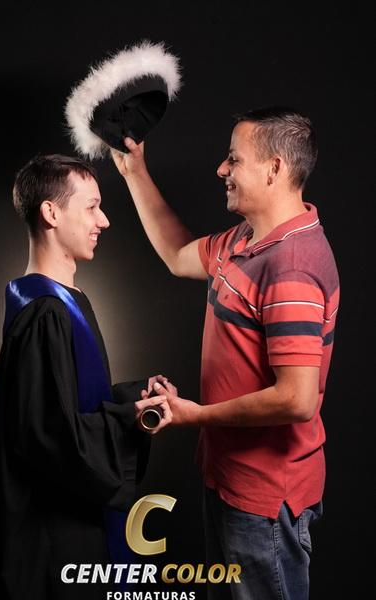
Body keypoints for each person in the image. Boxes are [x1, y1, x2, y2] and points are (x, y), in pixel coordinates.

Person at [111, 107, 339, 600]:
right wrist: (134, 171)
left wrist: (196, 415)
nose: (222, 169)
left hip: (264, 503)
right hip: (230, 482)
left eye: (234, 159)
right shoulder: (247, 240)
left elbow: (297, 399)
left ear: (274, 169)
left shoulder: (292, 266)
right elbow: (178, 256)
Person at [0, 154, 172, 600]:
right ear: (51, 213)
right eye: (91, 207)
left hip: (72, 526)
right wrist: (130, 420)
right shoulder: (43, 311)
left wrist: (136, 399)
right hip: (56, 542)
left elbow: (66, 402)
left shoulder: (64, 300)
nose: (103, 220)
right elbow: (51, 437)